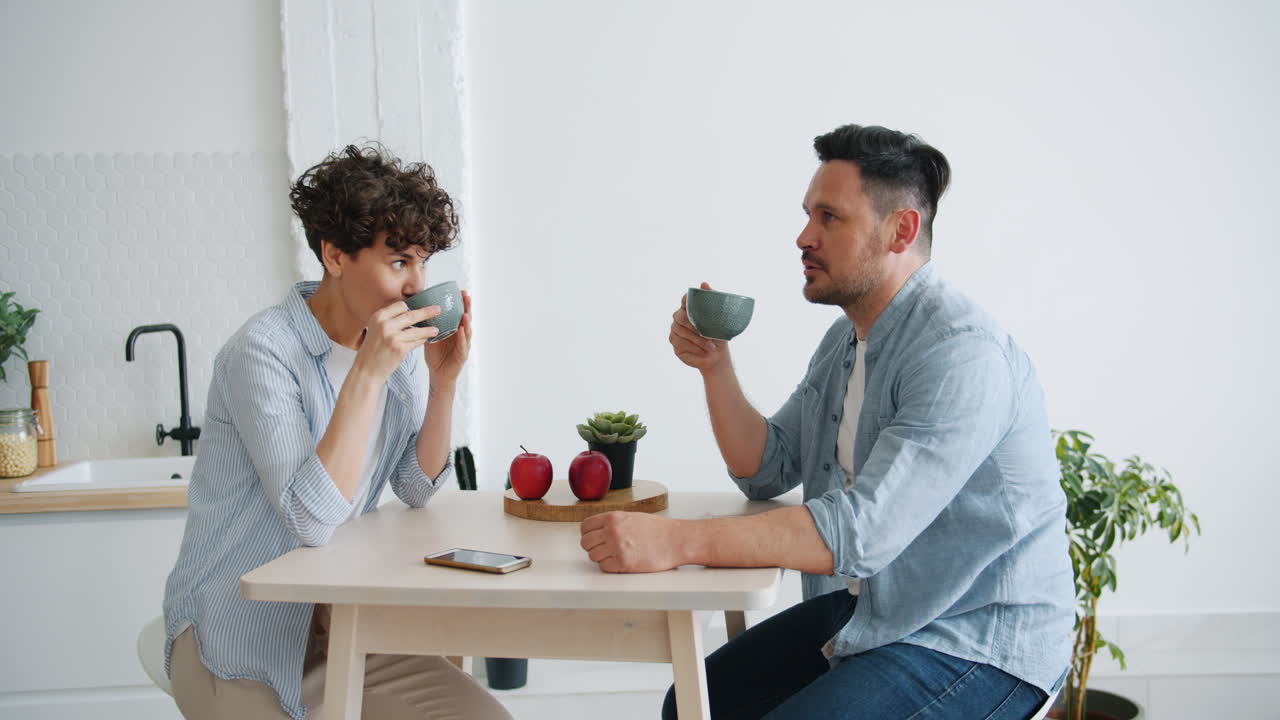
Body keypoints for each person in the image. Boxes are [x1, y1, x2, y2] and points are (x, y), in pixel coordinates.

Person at [578, 124, 1073, 718]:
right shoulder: (848, 339)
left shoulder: (961, 355)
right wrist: (716, 367)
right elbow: (765, 467)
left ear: (902, 230)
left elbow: (863, 532)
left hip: (975, 638)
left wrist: (678, 542)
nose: (803, 236)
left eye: (829, 218)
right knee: (691, 704)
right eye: (808, 214)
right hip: (879, 608)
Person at [162, 144, 511, 720]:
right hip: (239, 634)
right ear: (334, 255)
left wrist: (443, 383)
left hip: (342, 624)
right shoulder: (262, 354)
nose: (415, 284)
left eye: (422, 263)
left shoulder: (389, 356)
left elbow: (415, 487)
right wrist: (370, 372)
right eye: (399, 261)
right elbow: (310, 517)